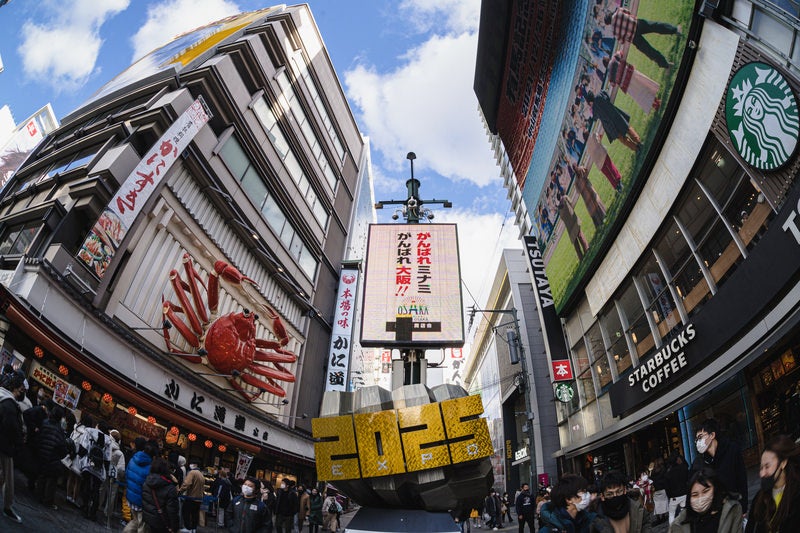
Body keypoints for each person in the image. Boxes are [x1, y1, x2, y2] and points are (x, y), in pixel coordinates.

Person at [690, 418, 748, 514]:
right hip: (716, 511)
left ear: (712, 435)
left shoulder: (731, 450)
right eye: (696, 439)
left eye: (700, 437)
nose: (698, 442)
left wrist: (743, 507)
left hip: (734, 506)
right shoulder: (701, 462)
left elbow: (741, 478)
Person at [745, 434, 800, 533]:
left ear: (783, 463)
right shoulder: (759, 499)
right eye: (761, 468)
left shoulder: (796, 497)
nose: (762, 473)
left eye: (767, 466)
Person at [604, 7, 682, 69]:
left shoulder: (613, 31)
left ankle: (666, 65)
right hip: (637, 24)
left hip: (634, 38)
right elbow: (628, 12)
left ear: (608, 23)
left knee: (650, 51)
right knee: (656, 26)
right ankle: (675, 30)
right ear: (610, 14)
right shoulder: (618, 11)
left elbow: (622, 41)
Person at [669, 467, 742, 533]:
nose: (700, 498)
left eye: (706, 491)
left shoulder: (731, 510)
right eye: (695, 495)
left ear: (715, 488)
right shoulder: (680, 522)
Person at [0, 372, 26, 523]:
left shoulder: (3, 397)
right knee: (8, 478)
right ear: (15, 388)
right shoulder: (9, 404)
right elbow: (11, 427)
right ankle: (8, 507)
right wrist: (19, 442)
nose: (23, 390)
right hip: (5, 446)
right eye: (21, 387)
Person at [77, 418, 113, 521]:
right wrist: (105, 469)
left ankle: (85, 507)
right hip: (99, 467)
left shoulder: (89, 431)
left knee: (86, 485)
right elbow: (107, 457)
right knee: (96, 489)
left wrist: (80, 459)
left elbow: (82, 447)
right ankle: (93, 512)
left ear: (97, 425)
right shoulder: (108, 440)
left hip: (87, 463)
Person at [34, 404, 68, 509]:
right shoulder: (59, 430)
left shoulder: (44, 423)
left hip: (41, 452)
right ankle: (48, 500)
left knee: (42, 475)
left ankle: (39, 496)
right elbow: (61, 445)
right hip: (52, 456)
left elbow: (39, 436)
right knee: (51, 479)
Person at [124, 437, 155, 533]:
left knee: (135, 521)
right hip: (141, 501)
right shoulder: (150, 467)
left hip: (131, 497)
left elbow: (127, 474)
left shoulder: (133, 458)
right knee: (142, 526)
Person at [142, 457, 180, 533]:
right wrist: (174, 527)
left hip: (148, 519)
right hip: (162, 524)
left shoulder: (147, 482)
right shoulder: (170, 488)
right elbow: (172, 511)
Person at [64, 412, 92, 506]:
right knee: (78, 480)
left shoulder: (76, 427)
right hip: (80, 456)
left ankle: (68, 496)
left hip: (72, 453)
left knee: (70, 477)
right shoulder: (88, 432)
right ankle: (74, 499)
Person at [107, 429, 127, 527]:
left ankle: (96, 505)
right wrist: (119, 476)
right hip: (115, 477)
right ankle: (107, 513)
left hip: (104, 473)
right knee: (111, 495)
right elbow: (121, 469)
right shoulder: (120, 453)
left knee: (101, 490)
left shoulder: (106, 446)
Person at [179, 462, 205, 533]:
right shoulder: (201, 474)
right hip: (199, 498)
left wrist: (180, 491)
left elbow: (187, 483)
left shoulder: (192, 472)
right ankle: (194, 528)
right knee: (195, 514)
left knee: (186, 512)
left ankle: (188, 528)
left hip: (191, 497)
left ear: (194, 465)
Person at [665, 452, 689, 525]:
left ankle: (672, 529)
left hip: (674, 496)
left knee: (672, 514)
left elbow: (667, 487)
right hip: (684, 493)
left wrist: (670, 496)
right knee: (684, 512)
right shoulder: (684, 468)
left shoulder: (668, 473)